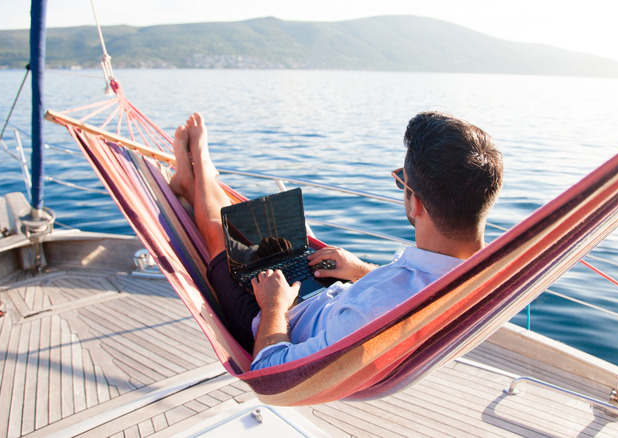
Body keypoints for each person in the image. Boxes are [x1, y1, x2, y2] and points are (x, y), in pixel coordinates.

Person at [169, 111, 503, 370]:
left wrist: (274, 305)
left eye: (401, 181)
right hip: (330, 297)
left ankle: (199, 170)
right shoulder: (486, 275)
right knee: (248, 232)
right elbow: (408, 289)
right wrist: (359, 269)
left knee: (220, 235)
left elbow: (271, 368)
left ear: (414, 203)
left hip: (277, 323)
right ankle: (199, 178)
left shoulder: (370, 313)